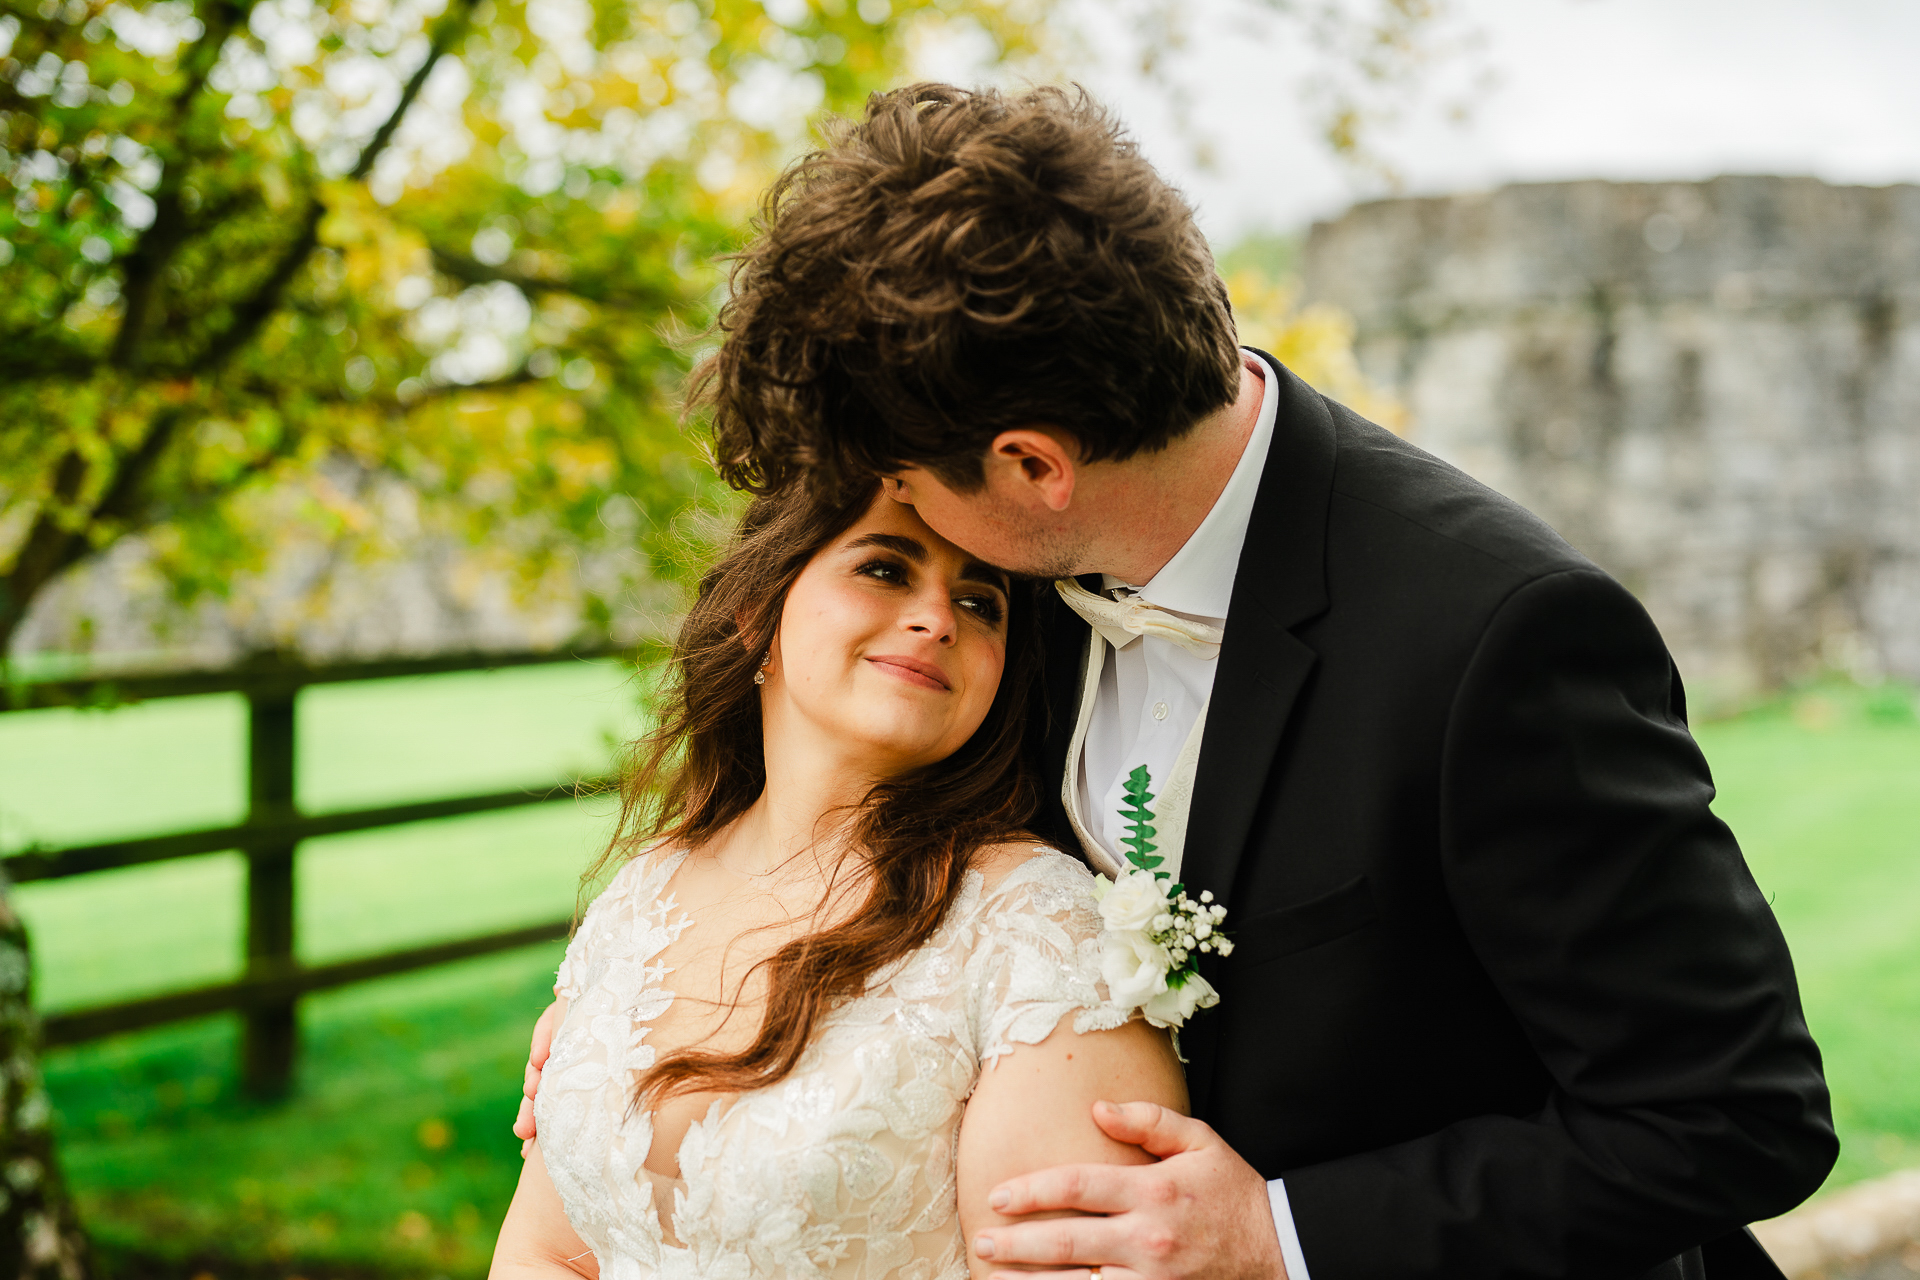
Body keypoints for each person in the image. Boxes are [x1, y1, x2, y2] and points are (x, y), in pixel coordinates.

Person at [518, 83, 1837, 1279]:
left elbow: (1735, 1116)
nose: (923, 554)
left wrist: (1286, 1233)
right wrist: (661, 1070)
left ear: (1035, 468)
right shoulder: (1016, 582)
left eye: (916, 488)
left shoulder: (1492, 638)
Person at [491, 479, 1188, 1278]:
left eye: (980, 602)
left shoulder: (1035, 935)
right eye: (886, 570)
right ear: (760, 615)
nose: (936, 618)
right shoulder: (648, 891)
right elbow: (547, 1248)